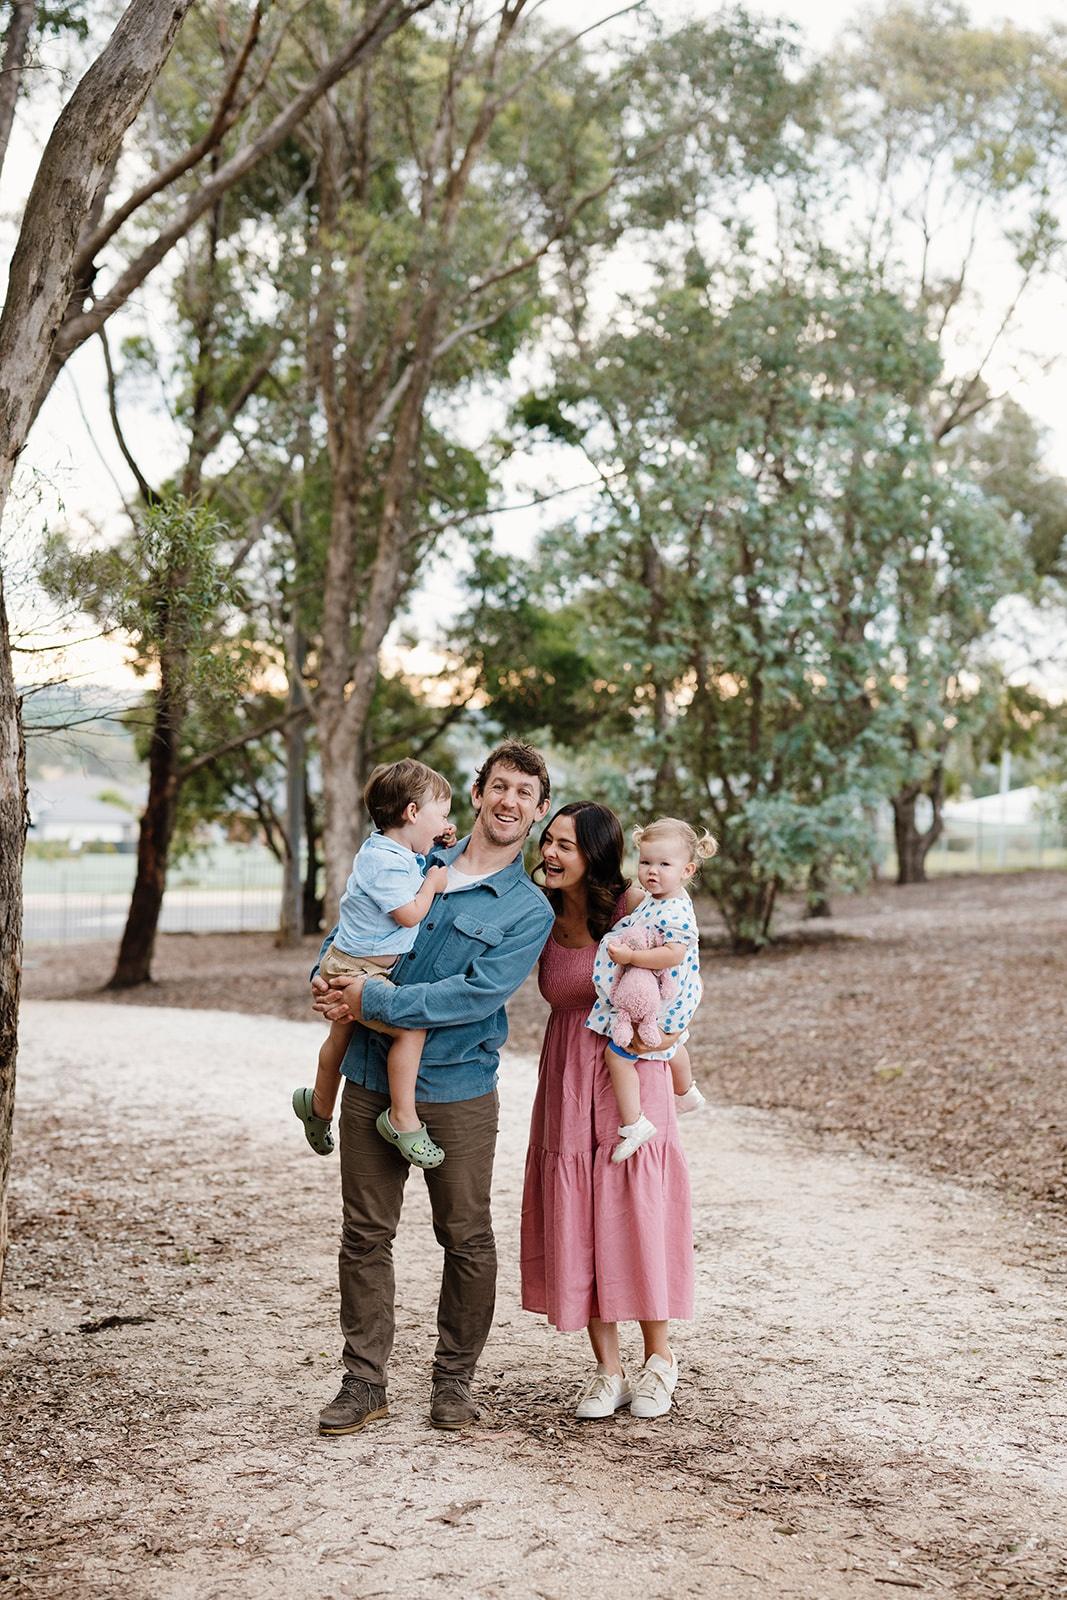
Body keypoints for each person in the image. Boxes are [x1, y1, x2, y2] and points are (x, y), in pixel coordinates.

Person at [311, 740, 554, 1436]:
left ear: (535, 813)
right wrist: (328, 986)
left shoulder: (525, 910)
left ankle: (453, 1383)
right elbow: (353, 927)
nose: (509, 801)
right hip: (365, 1075)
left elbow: (473, 995)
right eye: (499, 786)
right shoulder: (410, 856)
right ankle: (363, 1383)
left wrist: (372, 1003)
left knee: (467, 1237)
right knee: (363, 1235)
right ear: (477, 794)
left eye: (524, 794)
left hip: (457, 1088)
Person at [521, 802, 695, 1422]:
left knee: (635, 1206)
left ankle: (659, 1360)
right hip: (567, 1069)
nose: (551, 853)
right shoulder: (535, 912)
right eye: (549, 842)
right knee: (581, 1212)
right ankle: (609, 1371)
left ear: (593, 854)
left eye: (565, 845)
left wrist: (667, 1050)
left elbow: (678, 979)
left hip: (630, 1064)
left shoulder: (633, 904)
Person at [292, 758, 454, 1169]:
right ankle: (402, 1119)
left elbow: (414, 859)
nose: (445, 823)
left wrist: (434, 844)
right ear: (412, 813)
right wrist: (434, 882)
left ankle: (319, 1106)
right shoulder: (382, 861)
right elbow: (408, 913)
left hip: (355, 964)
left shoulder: (392, 849)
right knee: (411, 1031)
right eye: (442, 814)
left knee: (340, 1039)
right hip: (357, 970)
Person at [588, 817, 716, 1162]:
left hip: (668, 998)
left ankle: (634, 1123)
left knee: (617, 1055)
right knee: (676, 1041)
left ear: (687, 869)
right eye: (645, 862)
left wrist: (631, 956)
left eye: (664, 864)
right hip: (673, 999)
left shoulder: (675, 909)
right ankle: (686, 1091)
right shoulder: (657, 900)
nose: (652, 871)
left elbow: (673, 954)